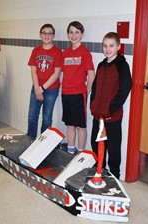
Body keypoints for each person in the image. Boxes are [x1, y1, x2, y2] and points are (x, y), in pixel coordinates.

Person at [90, 32, 132, 179]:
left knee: (113, 149)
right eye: (105, 46)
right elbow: (94, 88)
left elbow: (125, 89)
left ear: (118, 47)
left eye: (111, 46)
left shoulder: (122, 66)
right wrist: (93, 105)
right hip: (98, 116)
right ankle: (98, 171)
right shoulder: (101, 65)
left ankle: (114, 176)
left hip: (112, 118)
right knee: (97, 146)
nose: (108, 49)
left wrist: (110, 109)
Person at [62, 21, 95, 154]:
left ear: (82, 35)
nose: (74, 35)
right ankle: (71, 152)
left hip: (78, 95)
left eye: (77, 32)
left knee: (80, 126)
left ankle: (80, 154)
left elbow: (91, 75)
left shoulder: (85, 53)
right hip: (66, 93)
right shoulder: (65, 53)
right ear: (68, 34)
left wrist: (86, 93)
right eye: (71, 32)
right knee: (70, 125)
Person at [27, 24, 62, 139]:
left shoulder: (57, 52)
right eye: (44, 33)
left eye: (49, 33)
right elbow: (34, 72)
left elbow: (56, 74)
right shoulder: (36, 51)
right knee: (32, 115)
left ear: (53, 36)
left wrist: (42, 89)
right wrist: (37, 89)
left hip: (51, 89)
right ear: (40, 35)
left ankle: (43, 144)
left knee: (47, 118)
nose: (47, 35)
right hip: (37, 87)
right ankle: (30, 141)